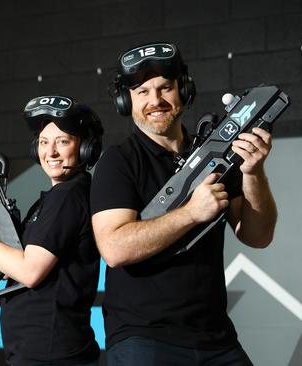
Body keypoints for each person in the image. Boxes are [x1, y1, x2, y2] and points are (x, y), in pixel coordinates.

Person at [91, 41, 277, 365]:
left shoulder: (215, 153)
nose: (156, 101)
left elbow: (257, 236)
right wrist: (190, 213)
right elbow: (115, 247)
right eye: (143, 92)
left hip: (216, 337)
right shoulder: (118, 162)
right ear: (126, 102)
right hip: (144, 339)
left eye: (165, 88)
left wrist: (253, 171)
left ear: (184, 90)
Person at [0, 95, 103, 365]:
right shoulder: (59, 197)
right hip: (42, 352)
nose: (51, 152)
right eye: (44, 142)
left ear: (84, 148)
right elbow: (14, 260)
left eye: (63, 141)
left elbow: (29, 271)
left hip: (51, 354)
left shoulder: (68, 196)